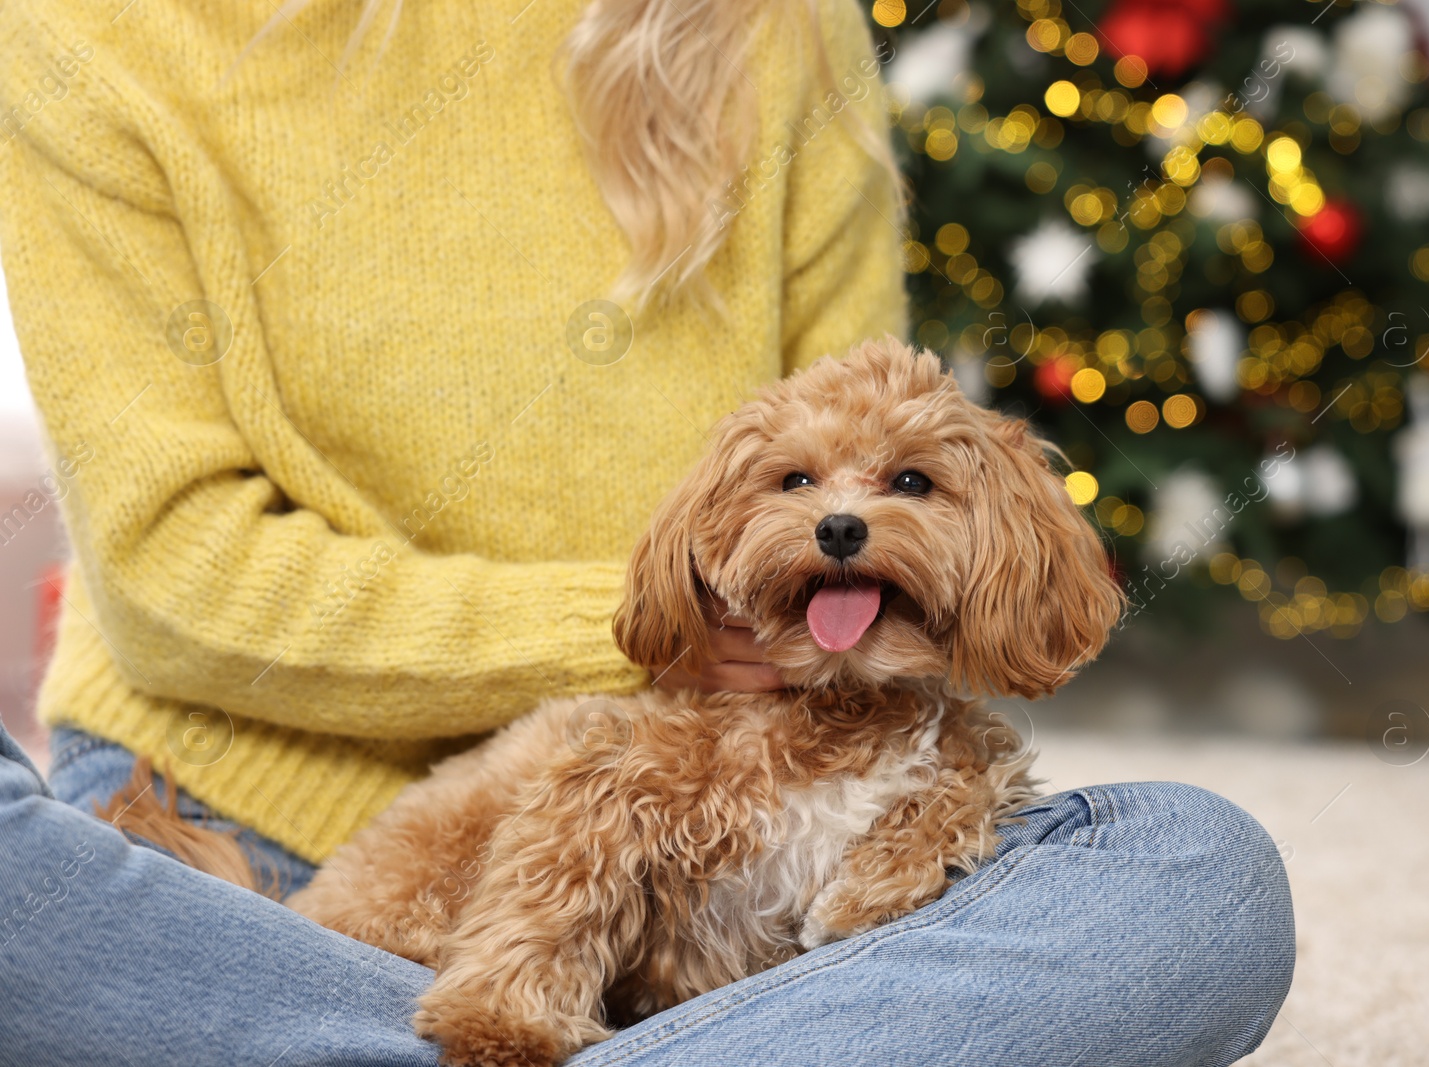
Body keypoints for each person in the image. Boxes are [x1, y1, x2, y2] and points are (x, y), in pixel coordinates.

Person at [0, 0, 1295, 1063]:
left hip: (769, 820)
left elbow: (864, 419)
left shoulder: (772, 24)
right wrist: (642, 629)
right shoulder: (80, 27)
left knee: (1197, 877)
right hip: (265, 836)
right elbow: (175, 572)